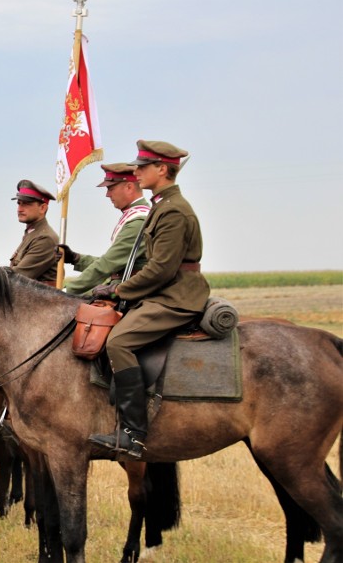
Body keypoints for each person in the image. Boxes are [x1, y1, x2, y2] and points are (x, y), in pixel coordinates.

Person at [88, 140, 210, 460]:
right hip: (164, 292)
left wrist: (118, 291)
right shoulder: (161, 205)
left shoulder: (173, 210)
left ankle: (133, 434)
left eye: (143, 167)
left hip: (176, 297)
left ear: (162, 169)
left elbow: (160, 269)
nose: (136, 172)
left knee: (119, 342)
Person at [58, 164, 151, 295]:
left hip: (132, 293)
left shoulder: (138, 221)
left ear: (129, 187)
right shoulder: (134, 216)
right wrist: (76, 258)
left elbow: (108, 265)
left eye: (110, 188)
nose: (107, 194)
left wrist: (65, 291)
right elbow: (113, 264)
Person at [9, 180, 60, 284]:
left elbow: (17, 277)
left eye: (26, 204)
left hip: (42, 299)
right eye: (19, 203)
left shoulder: (45, 238)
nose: (19, 209)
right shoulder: (32, 233)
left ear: (42, 208)